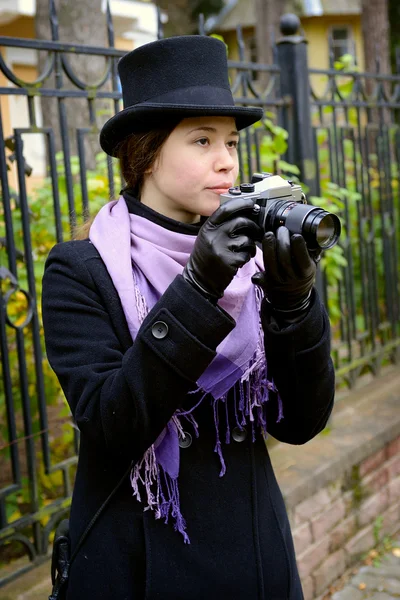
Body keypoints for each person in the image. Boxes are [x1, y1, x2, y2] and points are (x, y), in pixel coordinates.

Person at [42, 35, 335, 600]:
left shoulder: (251, 258)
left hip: (255, 558)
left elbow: (299, 423)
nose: (226, 159)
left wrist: (294, 301)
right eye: (202, 140)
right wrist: (197, 286)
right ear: (145, 152)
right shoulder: (80, 269)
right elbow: (112, 423)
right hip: (137, 567)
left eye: (229, 140)